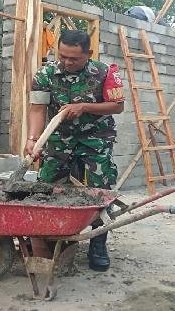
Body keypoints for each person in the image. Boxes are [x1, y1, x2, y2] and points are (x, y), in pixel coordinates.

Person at [26, 29, 125, 271]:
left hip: (96, 139)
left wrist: (84, 107)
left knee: (100, 190)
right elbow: (37, 109)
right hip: (60, 139)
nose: (67, 62)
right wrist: (33, 139)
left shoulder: (105, 72)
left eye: (74, 58)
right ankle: (51, 239)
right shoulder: (45, 74)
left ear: (88, 54)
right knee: (47, 186)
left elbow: (117, 106)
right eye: (63, 56)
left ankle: (97, 243)